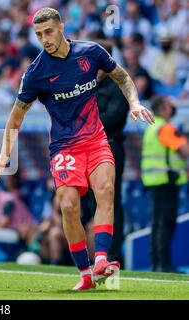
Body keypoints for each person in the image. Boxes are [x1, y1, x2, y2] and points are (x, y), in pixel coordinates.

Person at [0, 8, 155, 291]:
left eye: (49, 32)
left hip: (96, 139)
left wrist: (135, 102)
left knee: (106, 191)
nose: (45, 39)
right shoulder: (35, 73)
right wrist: (4, 156)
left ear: (62, 27)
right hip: (65, 146)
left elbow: (123, 77)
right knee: (68, 205)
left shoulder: (91, 52)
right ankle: (85, 273)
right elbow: (15, 118)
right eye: (39, 35)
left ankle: (101, 260)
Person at [81, 39, 130, 266]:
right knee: (93, 201)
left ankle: (113, 254)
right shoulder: (87, 86)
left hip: (110, 145)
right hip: (89, 148)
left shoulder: (118, 85)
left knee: (110, 199)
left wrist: (90, 120)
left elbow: (116, 117)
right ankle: (99, 254)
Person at [141, 96, 189, 272]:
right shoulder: (165, 128)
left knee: (156, 223)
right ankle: (164, 264)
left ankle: (156, 263)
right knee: (166, 223)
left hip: (154, 181)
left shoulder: (151, 127)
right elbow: (184, 150)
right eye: (170, 105)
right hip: (166, 181)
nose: (173, 108)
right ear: (163, 108)